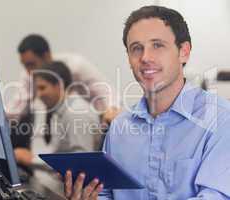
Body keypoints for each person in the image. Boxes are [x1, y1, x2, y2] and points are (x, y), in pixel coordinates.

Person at [62, 5, 230, 200]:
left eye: (157, 45)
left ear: (183, 52)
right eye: (136, 48)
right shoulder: (119, 127)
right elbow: (107, 193)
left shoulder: (221, 120)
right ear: (129, 59)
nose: (145, 58)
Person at [8, 34, 120, 167]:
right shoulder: (30, 76)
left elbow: (105, 90)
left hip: (89, 121)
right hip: (65, 118)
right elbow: (15, 109)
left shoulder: (77, 65)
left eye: (43, 88)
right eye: (25, 66)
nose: (28, 71)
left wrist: (111, 110)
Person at [34, 61, 101, 152]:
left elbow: (82, 158)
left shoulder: (76, 112)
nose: (39, 94)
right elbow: (54, 152)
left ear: (59, 85)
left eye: (42, 88)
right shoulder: (61, 111)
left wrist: (30, 160)